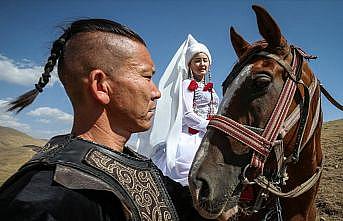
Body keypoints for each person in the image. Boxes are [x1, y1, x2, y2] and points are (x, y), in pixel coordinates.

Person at [0, 19, 207, 221]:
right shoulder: (50, 202)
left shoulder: (137, 165)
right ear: (101, 86)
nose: (156, 92)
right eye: (146, 77)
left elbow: (191, 209)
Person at [127, 34, 219, 187]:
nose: (202, 64)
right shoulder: (187, 85)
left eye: (205, 60)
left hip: (210, 133)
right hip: (192, 135)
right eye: (197, 60)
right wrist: (209, 125)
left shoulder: (212, 90)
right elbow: (188, 114)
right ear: (189, 64)